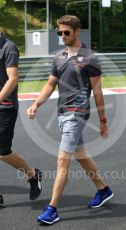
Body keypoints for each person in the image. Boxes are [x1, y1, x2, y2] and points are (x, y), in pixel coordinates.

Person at [27, 15, 113, 225]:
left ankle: (52, 209)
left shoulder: (90, 58)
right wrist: (36, 103)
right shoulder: (58, 57)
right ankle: (103, 190)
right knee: (81, 155)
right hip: (62, 113)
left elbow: (98, 91)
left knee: (62, 160)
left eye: (66, 32)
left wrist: (103, 120)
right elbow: (49, 85)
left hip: (77, 113)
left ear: (77, 32)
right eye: (60, 33)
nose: (62, 36)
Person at [0, 31, 42, 208]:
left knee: (3, 152)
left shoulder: (8, 48)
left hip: (5, 106)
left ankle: (32, 175)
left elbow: (13, 78)